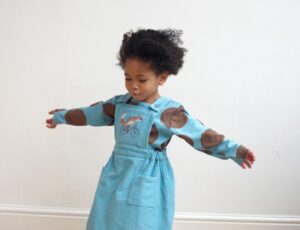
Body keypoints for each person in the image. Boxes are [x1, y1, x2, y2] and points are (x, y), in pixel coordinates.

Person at [46, 28, 255, 230]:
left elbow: (201, 135)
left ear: (161, 78)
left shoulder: (169, 113)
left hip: (148, 178)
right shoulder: (119, 105)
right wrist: (61, 116)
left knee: (142, 223)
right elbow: (89, 114)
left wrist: (236, 151)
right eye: (128, 78)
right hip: (116, 173)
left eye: (142, 79)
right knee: (106, 220)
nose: (133, 85)